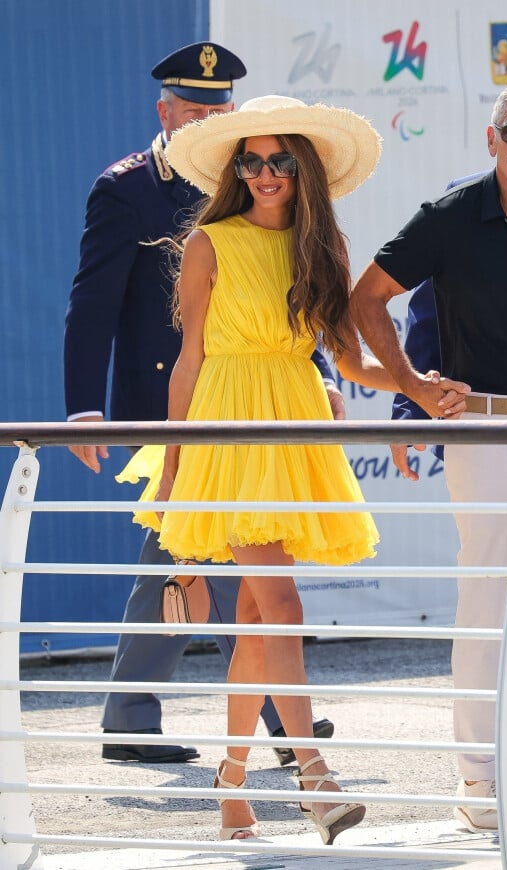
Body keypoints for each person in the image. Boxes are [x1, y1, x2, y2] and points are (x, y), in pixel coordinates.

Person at [116, 94, 469, 841]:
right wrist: (177, 468)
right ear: (236, 169)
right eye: (253, 160)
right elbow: (188, 363)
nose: (267, 172)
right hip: (227, 428)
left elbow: (349, 360)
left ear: (302, 168)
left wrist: (414, 386)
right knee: (281, 608)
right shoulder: (209, 242)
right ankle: (314, 773)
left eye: (280, 159)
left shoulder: (323, 247)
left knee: (254, 618)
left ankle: (233, 783)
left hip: (294, 420)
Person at [63, 42, 336, 765]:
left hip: (258, 404)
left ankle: (139, 716)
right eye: (193, 110)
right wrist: (84, 407)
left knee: (194, 555)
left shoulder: (254, 180)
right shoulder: (127, 187)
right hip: (175, 403)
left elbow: (279, 289)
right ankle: (280, 722)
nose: (205, 121)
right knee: (215, 558)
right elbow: (92, 302)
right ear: (165, 112)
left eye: (218, 110)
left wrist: (319, 365)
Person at [350, 81, 507, 834]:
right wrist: (411, 385)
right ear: (490, 139)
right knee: (487, 605)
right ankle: (480, 782)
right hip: (485, 432)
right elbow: (366, 299)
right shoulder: (448, 218)